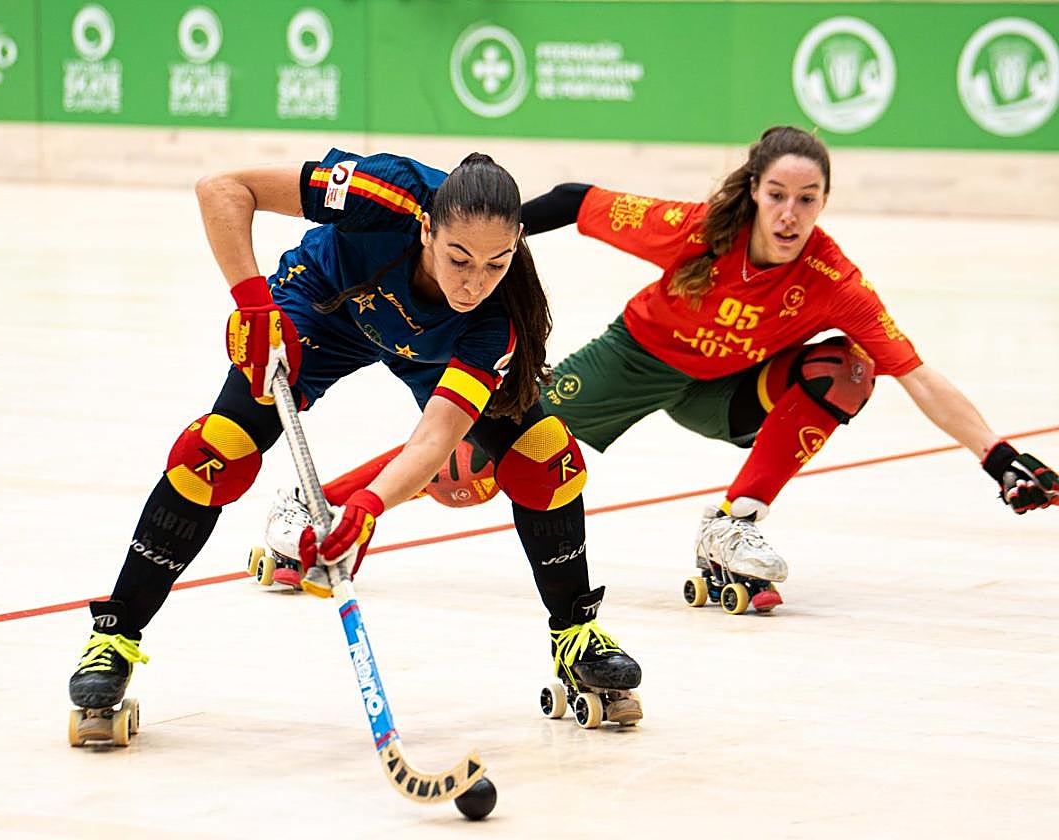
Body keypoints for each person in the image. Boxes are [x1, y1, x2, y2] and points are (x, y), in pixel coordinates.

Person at [293, 126, 1056, 615]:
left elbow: (914, 371)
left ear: (823, 203)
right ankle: (318, 507)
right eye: (778, 195)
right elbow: (575, 200)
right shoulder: (696, 233)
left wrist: (998, 455)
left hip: (725, 391)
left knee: (847, 368)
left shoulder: (833, 279)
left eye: (808, 200)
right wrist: (494, 243)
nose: (790, 214)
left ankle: (735, 527)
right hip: (634, 358)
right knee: (471, 469)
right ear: (754, 192)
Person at [67, 148, 643, 731]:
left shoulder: (494, 317)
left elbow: (434, 439)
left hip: (438, 345)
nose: (473, 283)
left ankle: (576, 633)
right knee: (213, 453)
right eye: (458, 259)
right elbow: (223, 188)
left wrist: (367, 506)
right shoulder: (382, 192)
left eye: (495, 264)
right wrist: (252, 301)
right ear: (426, 228)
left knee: (547, 459)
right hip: (325, 308)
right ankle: (113, 638)